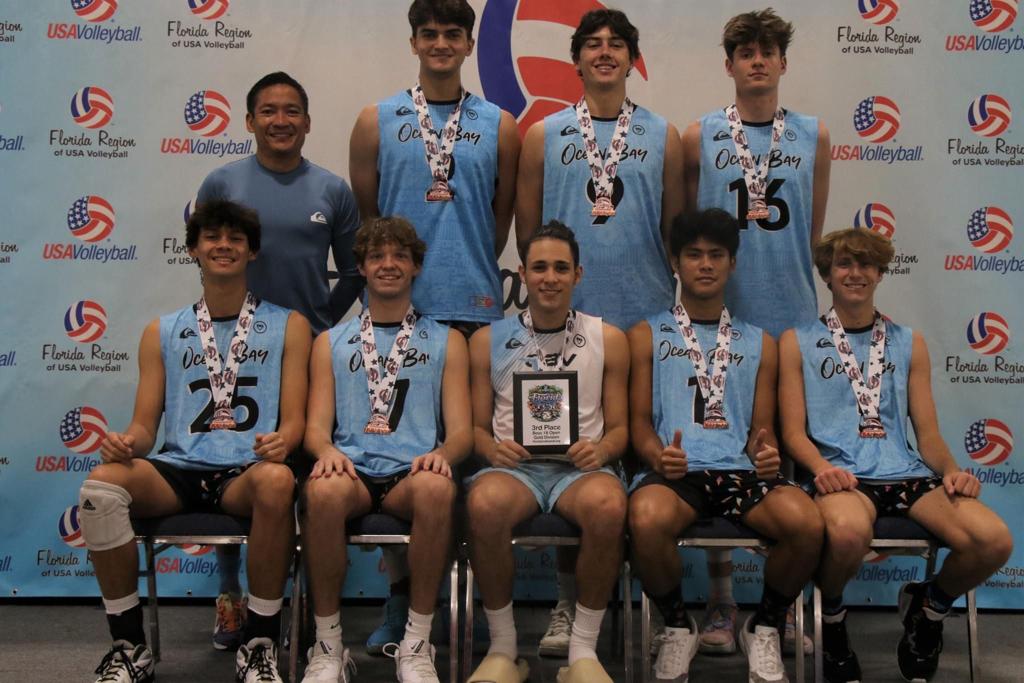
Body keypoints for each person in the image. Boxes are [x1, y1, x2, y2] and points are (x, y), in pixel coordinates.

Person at [80, 200, 311, 683]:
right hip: (180, 468)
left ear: (252, 252)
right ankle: (129, 647)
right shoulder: (160, 331)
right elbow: (145, 427)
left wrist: (282, 442)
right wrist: (126, 443)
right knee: (101, 487)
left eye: (235, 239)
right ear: (193, 250)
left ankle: (259, 644)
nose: (223, 246)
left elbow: (294, 422)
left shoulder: (289, 325)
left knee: (277, 482)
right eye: (212, 237)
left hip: (246, 469)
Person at [348, 0, 519, 650]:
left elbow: (499, 220)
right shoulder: (376, 120)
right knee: (395, 456)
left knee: (465, 468)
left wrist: (463, 262)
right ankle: (401, 599)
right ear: (414, 41)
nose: (441, 43)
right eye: (430, 33)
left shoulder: (501, 125)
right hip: (399, 315)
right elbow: (372, 219)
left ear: (470, 44)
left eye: (453, 33)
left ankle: (459, 596)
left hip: (475, 314)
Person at [515, 8, 683, 654]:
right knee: (572, 459)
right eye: (593, 44)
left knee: (657, 460)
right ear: (577, 59)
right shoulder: (543, 134)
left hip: (644, 318)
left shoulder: (664, 135)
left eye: (617, 44)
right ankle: (568, 603)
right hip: (570, 325)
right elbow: (530, 233)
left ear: (632, 59)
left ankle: (682, 608)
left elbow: (673, 230)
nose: (605, 53)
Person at [778, 228, 1013, 683]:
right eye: (844, 263)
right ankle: (833, 621)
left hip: (905, 473)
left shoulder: (908, 341)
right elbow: (792, 432)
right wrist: (821, 469)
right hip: (842, 476)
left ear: (881, 273)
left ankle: (929, 609)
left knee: (994, 541)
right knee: (847, 533)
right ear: (827, 274)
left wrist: (952, 471)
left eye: (866, 264)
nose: (856, 273)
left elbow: (928, 434)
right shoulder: (796, 341)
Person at [680, 8, 830, 654]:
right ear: (730, 65)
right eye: (747, 53)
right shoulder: (700, 135)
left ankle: (781, 606)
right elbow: (694, 228)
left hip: (791, 315)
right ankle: (720, 601)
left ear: (783, 62)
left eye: (769, 51)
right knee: (715, 450)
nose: (759, 61)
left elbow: (811, 233)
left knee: (783, 464)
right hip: (722, 319)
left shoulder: (815, 135)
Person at [197, 71, 362, 649]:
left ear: (308, 122)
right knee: (227, 465)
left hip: (308, 356)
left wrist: (321, 324)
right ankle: (230, 597)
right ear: (249, 121)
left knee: (301, 477)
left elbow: (356, 271)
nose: (280, 120)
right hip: (233, 356)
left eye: (292, 111)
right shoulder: (222, 181)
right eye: (268, 111)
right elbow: (212, 255)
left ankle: (303, 605)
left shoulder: (333, 190)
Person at [628, 208, 823, 683]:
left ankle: (765, 627)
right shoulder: (645, 334)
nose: (705, 264)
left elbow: (761, 431)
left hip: (739, 472)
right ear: (675, 262)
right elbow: (638, 424)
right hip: (677, 472)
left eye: (716, 255)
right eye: (693, 255)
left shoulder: (760, 342)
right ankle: (678, 625)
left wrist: (766, 453)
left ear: (733, 263)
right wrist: (657, 456)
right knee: (646, 520)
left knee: (806, 524)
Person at [301, 216, 472, 683]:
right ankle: (328, 646)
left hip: (411, 472)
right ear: (361, 267)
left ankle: (416, 643)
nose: (388, 264)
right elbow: (315, 429)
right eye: (377, 256)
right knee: (320, 494)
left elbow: (462, 433)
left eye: (400, 256)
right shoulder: (330, 342)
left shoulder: (448, 341)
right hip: (352, 471)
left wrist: (443, 455)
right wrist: (325, 452)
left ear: (416, 266)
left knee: (437, 489)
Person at [465, 222, 629, 683]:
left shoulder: (608, 338)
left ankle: (583, 653)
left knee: (608, 505)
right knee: (484, 504)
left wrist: (602, 450)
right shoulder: (488, 341)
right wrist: (492, 449)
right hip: (515, 470)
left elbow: (620, 430)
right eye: (539, 268)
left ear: (578, 274)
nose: (550, 278)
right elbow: (475, 429)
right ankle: (503, 650)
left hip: (580, 471)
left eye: (561, 268)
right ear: (522, 274)